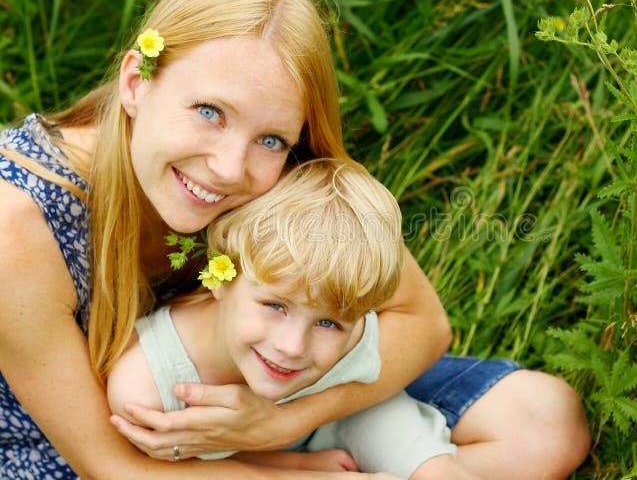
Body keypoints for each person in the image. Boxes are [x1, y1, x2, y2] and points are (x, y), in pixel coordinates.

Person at [0, 0, 589, 480]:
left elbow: (425, 321)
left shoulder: (276, 168)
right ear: (136, 82)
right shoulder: (18, 223)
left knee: (543, 423)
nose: (230, 168)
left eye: (273, 138)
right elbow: (111, 463)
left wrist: (284, 422)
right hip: (91, 448)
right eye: (209, 111)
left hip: (275, 385)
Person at [108, 158, 476, 479]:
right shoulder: (148, 388)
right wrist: (295, 468)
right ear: (220, 274)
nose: (293, 347)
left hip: (345, 415)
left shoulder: (351, 331)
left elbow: (419, 333)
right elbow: (177, 469)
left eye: (329, 323)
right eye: (275, 306)